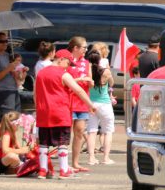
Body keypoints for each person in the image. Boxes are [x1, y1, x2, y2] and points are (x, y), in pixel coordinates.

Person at [35, 49, 96, 179]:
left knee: (43, 143)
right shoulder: (64, 75)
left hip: (43, 112)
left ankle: (43, 170)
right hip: (60, 112)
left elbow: (35, 94)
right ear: (61, 59)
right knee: (62, 142)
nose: (69, 66)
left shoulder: (40, 73)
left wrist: (39, 108)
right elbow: (79, 90)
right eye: (68, 63)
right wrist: (90, 105)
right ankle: (63, 170)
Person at [67, 36, 93, 173]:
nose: (86, 50)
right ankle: (64, 162)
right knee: (65, 133)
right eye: (84, 47)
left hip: (82, 102)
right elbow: (63, 79)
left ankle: (75, 162)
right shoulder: (66, 61)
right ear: (75, 48)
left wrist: (90, 81)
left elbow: (91, 79)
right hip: (69, 100)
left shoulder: (87, 63)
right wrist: (78, 79)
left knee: (79, 132)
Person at [86, 48, 116, 165]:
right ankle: (106, 158)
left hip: (91, 103)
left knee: (91, 131)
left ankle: (91, 158)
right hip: (104, 103)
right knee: (108, 131)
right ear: (99, 60)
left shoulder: (87, 72)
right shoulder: (106, 72)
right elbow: (112, 83)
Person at [0, 111, 33, 175]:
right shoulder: (6, 133)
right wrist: (21, 150)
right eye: (19, 124)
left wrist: (28, 150)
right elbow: (6, 150)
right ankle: (22, 168)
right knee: (12, 156)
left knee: (15, 156)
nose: (19, 126)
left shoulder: (10, 132)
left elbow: (17, 147)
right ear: (14, 124)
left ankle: (16, 168)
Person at [0, 32, 21, 118]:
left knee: (16, 117)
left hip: (14, 89)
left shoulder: (7, 55)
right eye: (1, 41)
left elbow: (12, 71)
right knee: (8, 117)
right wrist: (9, 68)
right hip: (5, 91)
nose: (5, 43)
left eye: (6, 41)